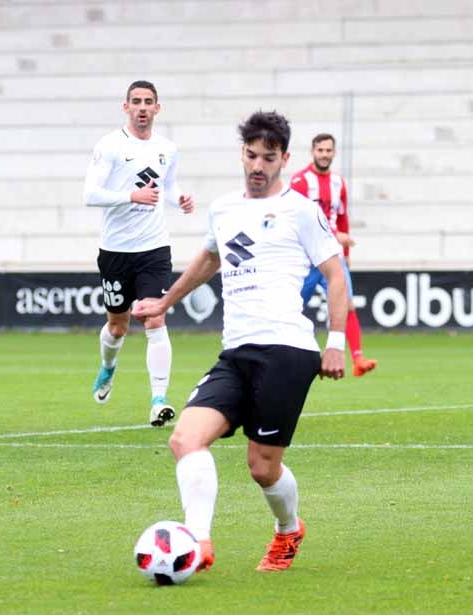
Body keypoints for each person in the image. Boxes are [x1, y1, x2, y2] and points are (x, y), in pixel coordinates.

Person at [132, 111, 348, 572]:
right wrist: (165, 302)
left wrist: (335, 342)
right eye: (251, 155)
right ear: (242, 154)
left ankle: (289, 530)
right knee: (186, 438)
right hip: (236, 352)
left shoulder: (301, 211)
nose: (258, 165)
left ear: (285, 159)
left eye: (268, 157)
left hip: (288, 351)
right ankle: (198, 542)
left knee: (262, 468)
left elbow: (335, 274)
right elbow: (209, 258)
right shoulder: (225, 209)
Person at [83, 80, 194, 426]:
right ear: (126, 107)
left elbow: (168, 185)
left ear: (157, 108)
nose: (142, 107)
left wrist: (180, 199)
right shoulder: (111, 146)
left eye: (148, 102)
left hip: (154, 248)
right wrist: (130, 196)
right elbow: (91, 193)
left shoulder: (167, 149)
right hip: (116, 251)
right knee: (117, 327)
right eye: (136, 101)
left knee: (155, 317)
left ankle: (158, 400)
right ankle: (108, 367)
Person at [290, 133, 377, 377]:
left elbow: (342, 217)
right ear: (312, 152)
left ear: (334, 153)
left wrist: (345, 251)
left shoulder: (339, 182)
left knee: (347, 304)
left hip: (332, 256)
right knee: (290, 305)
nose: (325, 154)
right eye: (320, 150)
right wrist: (336, 234)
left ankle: (358, 358)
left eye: (329, 150)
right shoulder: (300, 181)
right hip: (306, 259)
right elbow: (295, 219)